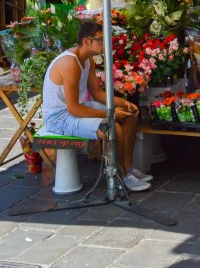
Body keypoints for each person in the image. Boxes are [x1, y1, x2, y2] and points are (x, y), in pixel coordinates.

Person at [41, 20, 149, 191]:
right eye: (100, 39)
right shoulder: (70, 63)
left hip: (78, 107)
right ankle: (120, 177)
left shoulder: (88, 60)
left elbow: (97, 93)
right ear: (87, 41)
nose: (104, 43)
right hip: (59, 118)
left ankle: (128, 169)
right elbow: (73, 109)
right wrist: (110, 115)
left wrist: (123, 103)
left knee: (129, 115)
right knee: (114, 128)